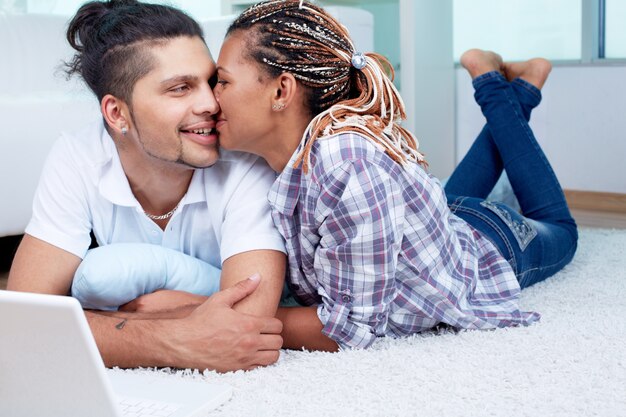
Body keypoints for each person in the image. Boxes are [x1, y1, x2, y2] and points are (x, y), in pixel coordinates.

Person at [208, 0, 578, 351]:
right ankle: (514, 86)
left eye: (222, 81)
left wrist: (238, 320)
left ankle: (503, 86)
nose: (211, 97)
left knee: (560, 227)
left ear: (281, 90)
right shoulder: (285, 156)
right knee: (453, 204)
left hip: (493, 243)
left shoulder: (346, 161)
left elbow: (351, 328)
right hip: (442, 224)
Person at [7, 0, 287, 372]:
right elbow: (22, 322)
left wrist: (99, 323)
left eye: (211, 81)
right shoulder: (78, 156)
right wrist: (171, 339)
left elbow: (246, 325)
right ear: (116, 113)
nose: (210, 103)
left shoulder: (245, 160)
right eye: (180, 88)